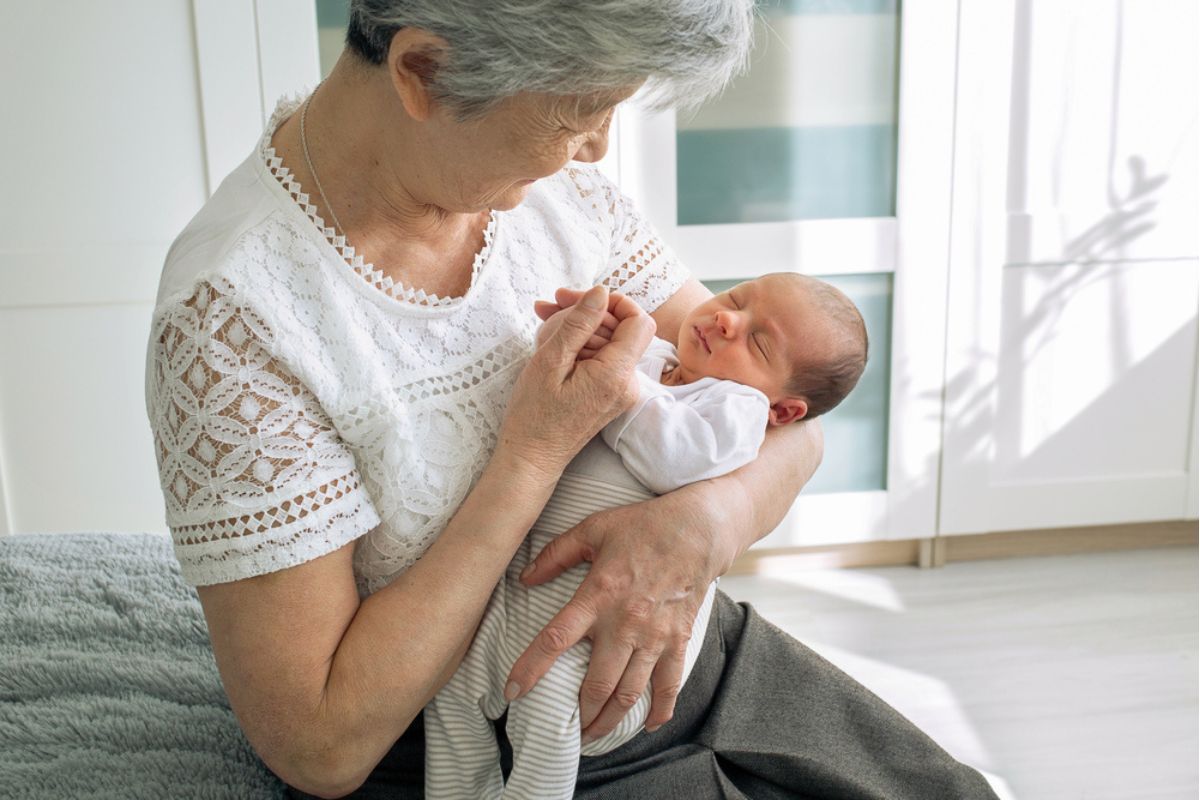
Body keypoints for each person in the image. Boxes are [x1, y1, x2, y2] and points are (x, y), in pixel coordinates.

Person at [143, 1, 1000, 797]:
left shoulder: (557, 194)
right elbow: (321, 746)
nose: (597, 148)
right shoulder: (234, 323)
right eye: (580, 112)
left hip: (686, 651)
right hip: (499, 750)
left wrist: (703, 527)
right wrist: (532, 452)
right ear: (426, 72)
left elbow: (791, 430)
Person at [424, 272, 869, 799]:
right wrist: (572, 336)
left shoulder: (736, 409)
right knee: (449, 693)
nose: (727, 318)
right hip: (521, 585)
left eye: (758, 341)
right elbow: (551, 388)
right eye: (737, 299)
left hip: (597, 627)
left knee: (546, 716)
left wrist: (614, 383)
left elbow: (674, 459)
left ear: (783, 411)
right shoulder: (653, 356)